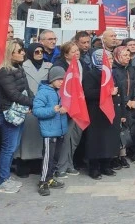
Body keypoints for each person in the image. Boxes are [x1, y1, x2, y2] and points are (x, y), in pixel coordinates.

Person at [0, 40, 32, 193]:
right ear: (10, 53)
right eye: (19, 50)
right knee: (8, 148)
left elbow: (26, 89)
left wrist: (31, 101)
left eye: (23, 49)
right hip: (7, 113)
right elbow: (13, 94)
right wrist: (32, 103)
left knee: (13, 147)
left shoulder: (19, 67)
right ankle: (1, 181)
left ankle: (6, 177)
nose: (23, 52)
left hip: (19, 112)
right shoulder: (3, 70)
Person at [83, 49, 124, 180]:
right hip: (96, 113)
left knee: (109, 139)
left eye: (111, 59)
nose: (111, 61)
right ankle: (94, 168)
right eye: (108, 59)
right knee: (96, 141)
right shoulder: (91, 74)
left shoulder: (112, 73)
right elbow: (88, 93)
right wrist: (106, 92)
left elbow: (120, 93)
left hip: (111, 111)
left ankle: (106, 165)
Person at [15, 43, 53, 178]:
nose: (39, 54)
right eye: (36, 52)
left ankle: (37, 164)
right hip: (28, 106)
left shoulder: (49, 66)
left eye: (41, 51)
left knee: (39, 137)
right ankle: (23, 164)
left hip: (42, 106)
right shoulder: (23, 67)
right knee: (25, 138)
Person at [32, 66, 68, 196]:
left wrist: (64, 109)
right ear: (52, 79)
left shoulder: (59, 91)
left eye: (63, 79)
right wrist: (52, 110)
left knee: (55, 157)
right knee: (48, 157)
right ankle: (43, 182)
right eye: (59, 79)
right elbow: (36, 110)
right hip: (49, 131)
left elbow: (63, 105)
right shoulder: (43, 92)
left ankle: (50, 178)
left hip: (59, 130)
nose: (61, 82)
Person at [53, 42, 84, 178]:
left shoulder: (80, 64)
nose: (77, 53)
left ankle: (69, 164)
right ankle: (60, 167)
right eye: (73, 52)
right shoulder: (59, 66)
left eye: (77, 51)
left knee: (74, 138)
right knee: (65, 139)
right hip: (66, 107)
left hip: (78, 106)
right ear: (66, 54)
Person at [111, 46, 135, 168]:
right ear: (117, 56)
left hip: (131, 105)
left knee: (126, 131)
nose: (128, 57)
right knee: (118, 131)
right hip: (119, 105)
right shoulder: (114, 70)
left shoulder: (131, 69)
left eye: (128, 55)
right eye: (124, 55)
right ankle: (114, 157)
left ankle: (123, 156)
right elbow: (117, 89)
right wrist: (126, 101)